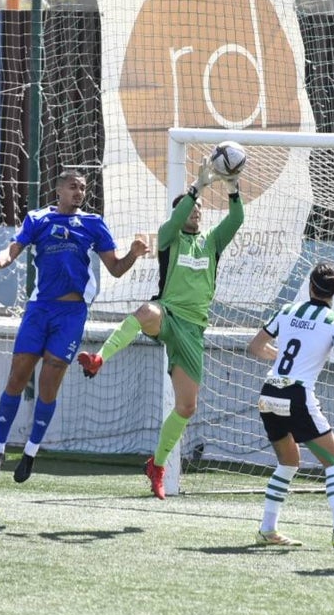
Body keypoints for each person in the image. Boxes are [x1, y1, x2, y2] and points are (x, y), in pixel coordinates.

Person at [78, 162, 242, 499]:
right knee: (144, 310)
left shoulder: (211, 243)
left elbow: (236, 219)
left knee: (186, 407)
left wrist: (232, 186)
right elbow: (174, 222)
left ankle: (157, 464)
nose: (195, 212)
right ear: (179, 213)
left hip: (193, 330)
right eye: (189, 208)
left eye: (198, 209)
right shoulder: (169, 238)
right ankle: (98, 358)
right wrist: (196, 186)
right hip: (167, 314)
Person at [0, 168, 148, 483]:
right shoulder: (38, 219)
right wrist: (4, 258)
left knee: (49, 382)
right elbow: (14, 247)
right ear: (58, 190)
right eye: (73, 186)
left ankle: (30, 453)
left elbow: (114, 269)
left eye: (83, 188)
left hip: (71, 314)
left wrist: (133, 254)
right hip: (39, 309)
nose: (79, 192)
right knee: (18, 374)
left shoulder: (93, 224)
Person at [245, 263, 334, 550]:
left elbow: (254, 347)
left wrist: (279, 358)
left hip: (269, 394)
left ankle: (267, 529)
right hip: (297, 397)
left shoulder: (287, 310)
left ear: (310, 287)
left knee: (288, 463)